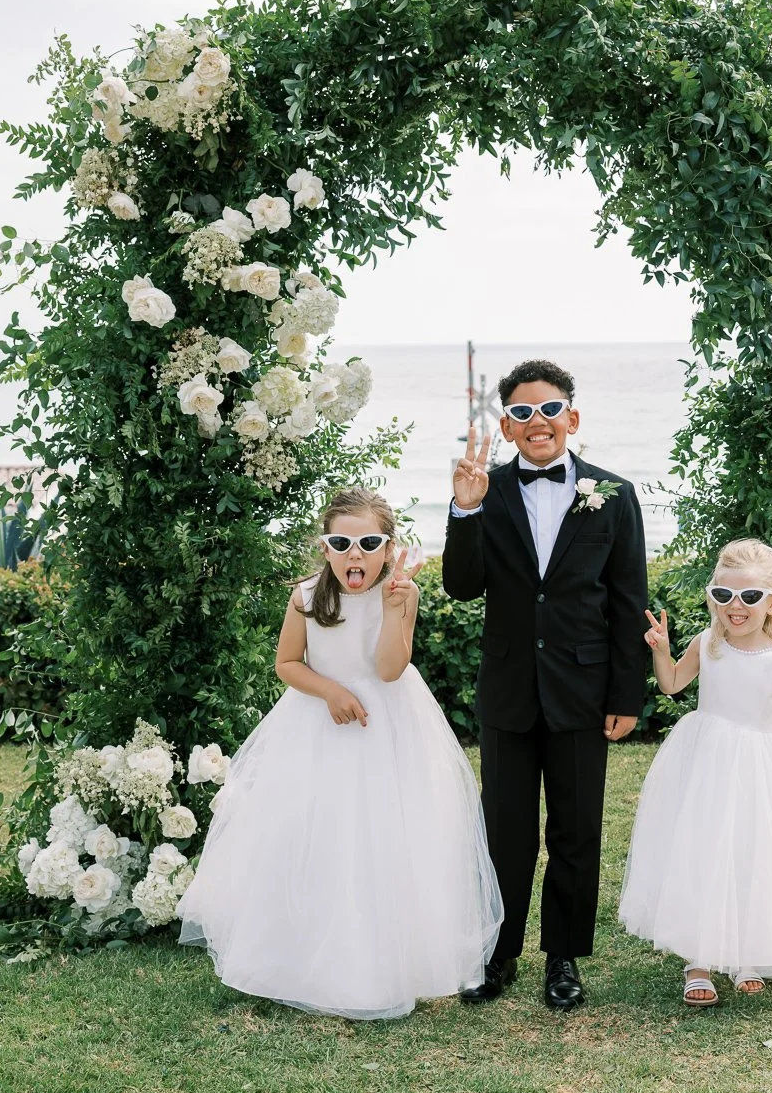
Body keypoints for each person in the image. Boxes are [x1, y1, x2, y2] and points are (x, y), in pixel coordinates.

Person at [178, 487, 502, 1019]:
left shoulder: (400, 594)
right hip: (316, 730)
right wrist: (330, 691)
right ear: (325, 547)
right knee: (312, 834)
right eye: (342, 542)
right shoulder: (307, 596)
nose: (355, 553)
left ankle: (381, 961)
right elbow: (288, 663)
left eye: (369, 542)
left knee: (383, 840)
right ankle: (299, 955)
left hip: (387, 727)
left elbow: (390, 670)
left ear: (388, 548)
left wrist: (397, 610)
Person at [442, 359, 648, 1010]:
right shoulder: (487, 492)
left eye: (550, 409)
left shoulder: (613, 495)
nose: (539, 423)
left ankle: (563, 958)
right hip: (507, 689)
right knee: (505, 830)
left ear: (572, 418)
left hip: (583, 693)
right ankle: (497, 955)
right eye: (523, 413)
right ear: (506, 426)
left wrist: (625, 695)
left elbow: (627, 602)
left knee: (577, 830)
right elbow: (460, 585)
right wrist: (464, 512)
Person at [619, 537, 772, 1006]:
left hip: (762, 775)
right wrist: (661, 649)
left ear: (771, 604)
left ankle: (747, 952)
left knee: (755, 855)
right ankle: (699, 960)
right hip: (706, 765)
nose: (735, 606)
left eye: (748, 597)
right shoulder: (708, 644)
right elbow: (670, 685)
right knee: (703, 852)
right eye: (723, 595)